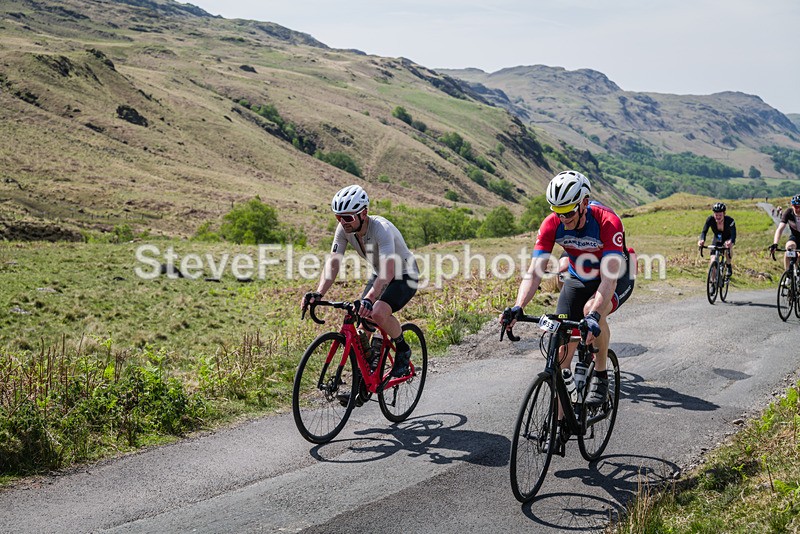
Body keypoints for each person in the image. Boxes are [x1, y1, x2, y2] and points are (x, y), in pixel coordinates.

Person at [501, 170, 634, 441]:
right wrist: (518, 306)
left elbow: (608, 282)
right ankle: (561, 424)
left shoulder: (608, 222)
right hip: (578, 275)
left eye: (569, 213)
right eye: (558, 212)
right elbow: (535, 272)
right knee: (562, 347)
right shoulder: (553, 223)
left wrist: (595, 314)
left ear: (584, 203)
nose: (563, 219)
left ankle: (601, 374)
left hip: (615, 276)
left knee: (590, 313)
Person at [301, 185, 420, 385]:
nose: (342, 222)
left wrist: (369, 298)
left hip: (404, 275)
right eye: (338, 217)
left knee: (377, 312)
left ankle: (402, 349)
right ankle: (364, 380)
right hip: (379, 273)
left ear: (363, 213)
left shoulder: (381, 229)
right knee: (361, 329)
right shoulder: (344, 230)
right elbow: (333, 262)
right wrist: (319, 293)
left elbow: (389, 272)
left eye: (347, 218)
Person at [698, 202, 736, 278]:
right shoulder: (710, 219)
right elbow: (704, 231)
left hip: (727, 238)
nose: (718, 217)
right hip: (717, 238)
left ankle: (728, 265)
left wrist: (731, 241)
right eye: (716, 215)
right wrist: (701, 240)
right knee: (713, 259)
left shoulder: (730, 221)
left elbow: (733, 235)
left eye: (720, 215)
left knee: (728, 249)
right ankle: (712, 281)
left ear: (724, 214)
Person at [769, 195, 800, 270]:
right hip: (794, 237)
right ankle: (788, 275)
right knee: (788, 249)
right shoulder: (789, 213)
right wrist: (775, 244)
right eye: (796, 207)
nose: (798, 209)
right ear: (792, 206)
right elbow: (780, 229)